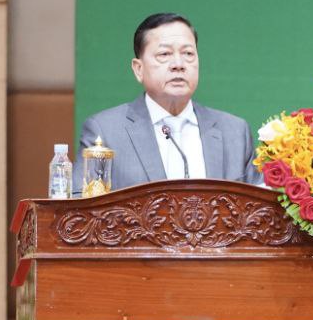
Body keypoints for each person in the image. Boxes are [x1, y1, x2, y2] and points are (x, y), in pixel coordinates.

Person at [77, 12, 261, 190]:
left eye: (188, 53)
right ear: (138, 69)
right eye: (164, 54)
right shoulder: (106, 132)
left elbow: (259, 205)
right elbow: (80, 202)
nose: (178, 64)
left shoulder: (235, 132)